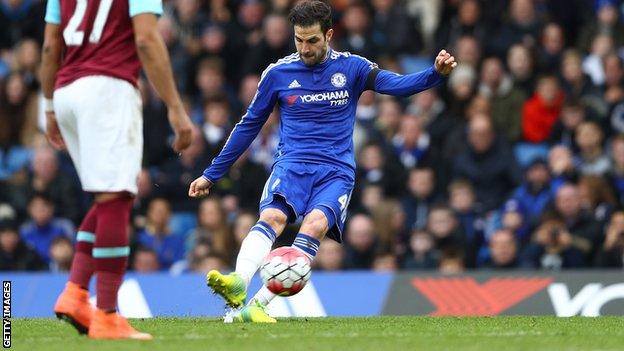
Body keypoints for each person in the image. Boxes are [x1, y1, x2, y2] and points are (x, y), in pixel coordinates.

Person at [188, 0, 456, 323]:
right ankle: (239, 282)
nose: (305, 48)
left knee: (314, 225)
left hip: (336, 173)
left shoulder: (353, 68)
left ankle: (258, 306)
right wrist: (211, 174)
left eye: (312, 40)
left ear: (328, 35)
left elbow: (395, 85)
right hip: (291, 165)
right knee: (273, 217)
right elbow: (248, 126)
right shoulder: (277, 73)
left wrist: (434, 75)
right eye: (299, 40)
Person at [40, 0, 192, 340]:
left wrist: (49, 106)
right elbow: (146, 40)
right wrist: (175, 108)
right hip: (108, 88)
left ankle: (76, 293)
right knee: (117, 197)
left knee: (109, 198)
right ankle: (107, 314)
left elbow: (51, 45)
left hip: (66, 91)